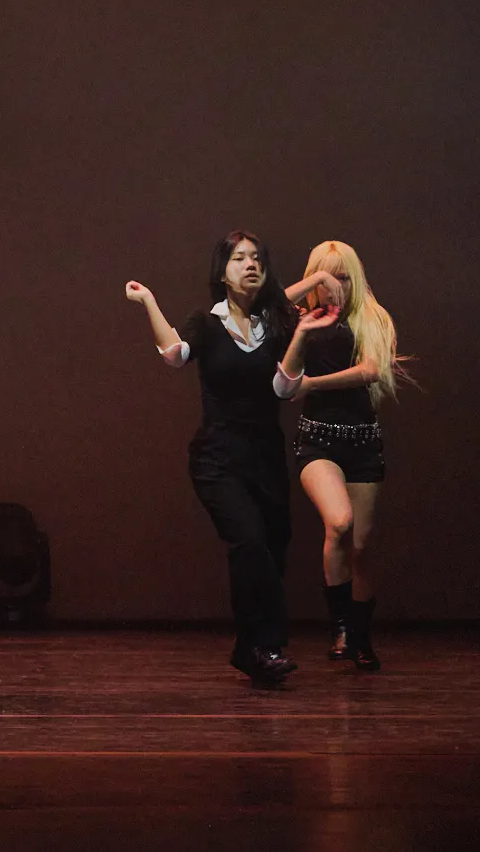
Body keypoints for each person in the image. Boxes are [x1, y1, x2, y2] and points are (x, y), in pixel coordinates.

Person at [125, 232, 331, 686]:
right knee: (250, 542)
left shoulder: (277, 324)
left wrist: (302, 331)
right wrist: (148, 301)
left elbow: (284, 388)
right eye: (239, 258)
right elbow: (175, 354)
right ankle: (263, 646)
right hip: (217, 457)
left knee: (273, 548)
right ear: (222, 271)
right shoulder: (207, 323)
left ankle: (253, 649)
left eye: (257, 258)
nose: (250, 264)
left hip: (265, 455)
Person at [275, 241, 403, 671]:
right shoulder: (301, 320)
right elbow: (265, 310)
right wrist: (312, 284)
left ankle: (361, 637)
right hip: (317, 442)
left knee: (360, 546)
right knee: (340, 522)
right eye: (326, 277)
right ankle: (341, 627)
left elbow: (371, 370)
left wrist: (311, 384)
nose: (335, 286)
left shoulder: (373, 317)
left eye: (344, 277)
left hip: (363, 443)